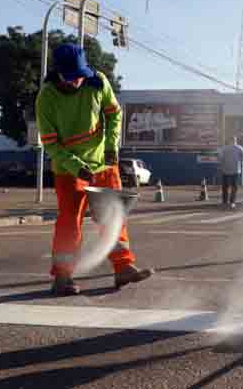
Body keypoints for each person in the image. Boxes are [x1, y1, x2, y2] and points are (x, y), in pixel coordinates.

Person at [36, 44, 154, 296]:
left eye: (80, 75)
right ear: (58, 73)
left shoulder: (97, 82)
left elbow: (114, 114)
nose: (77, 81)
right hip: (69, 171)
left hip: (103, 165)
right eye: (71, 77)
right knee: (70, 222)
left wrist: (111, 146)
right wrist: (76, 167)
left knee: (113, 216)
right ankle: (62, 277)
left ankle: (123, 267)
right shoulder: (46, 98)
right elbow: (51, 144)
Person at [218, 137, 243, 209]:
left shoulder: (224, 148)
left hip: (225, 170)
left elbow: (220, 158)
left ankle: (224, 202)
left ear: (229, 141)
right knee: (234, 187)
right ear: (235, 140)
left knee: (225, 187)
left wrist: (220, 166)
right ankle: (232, 202)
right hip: (235, 170)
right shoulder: (240, 148)